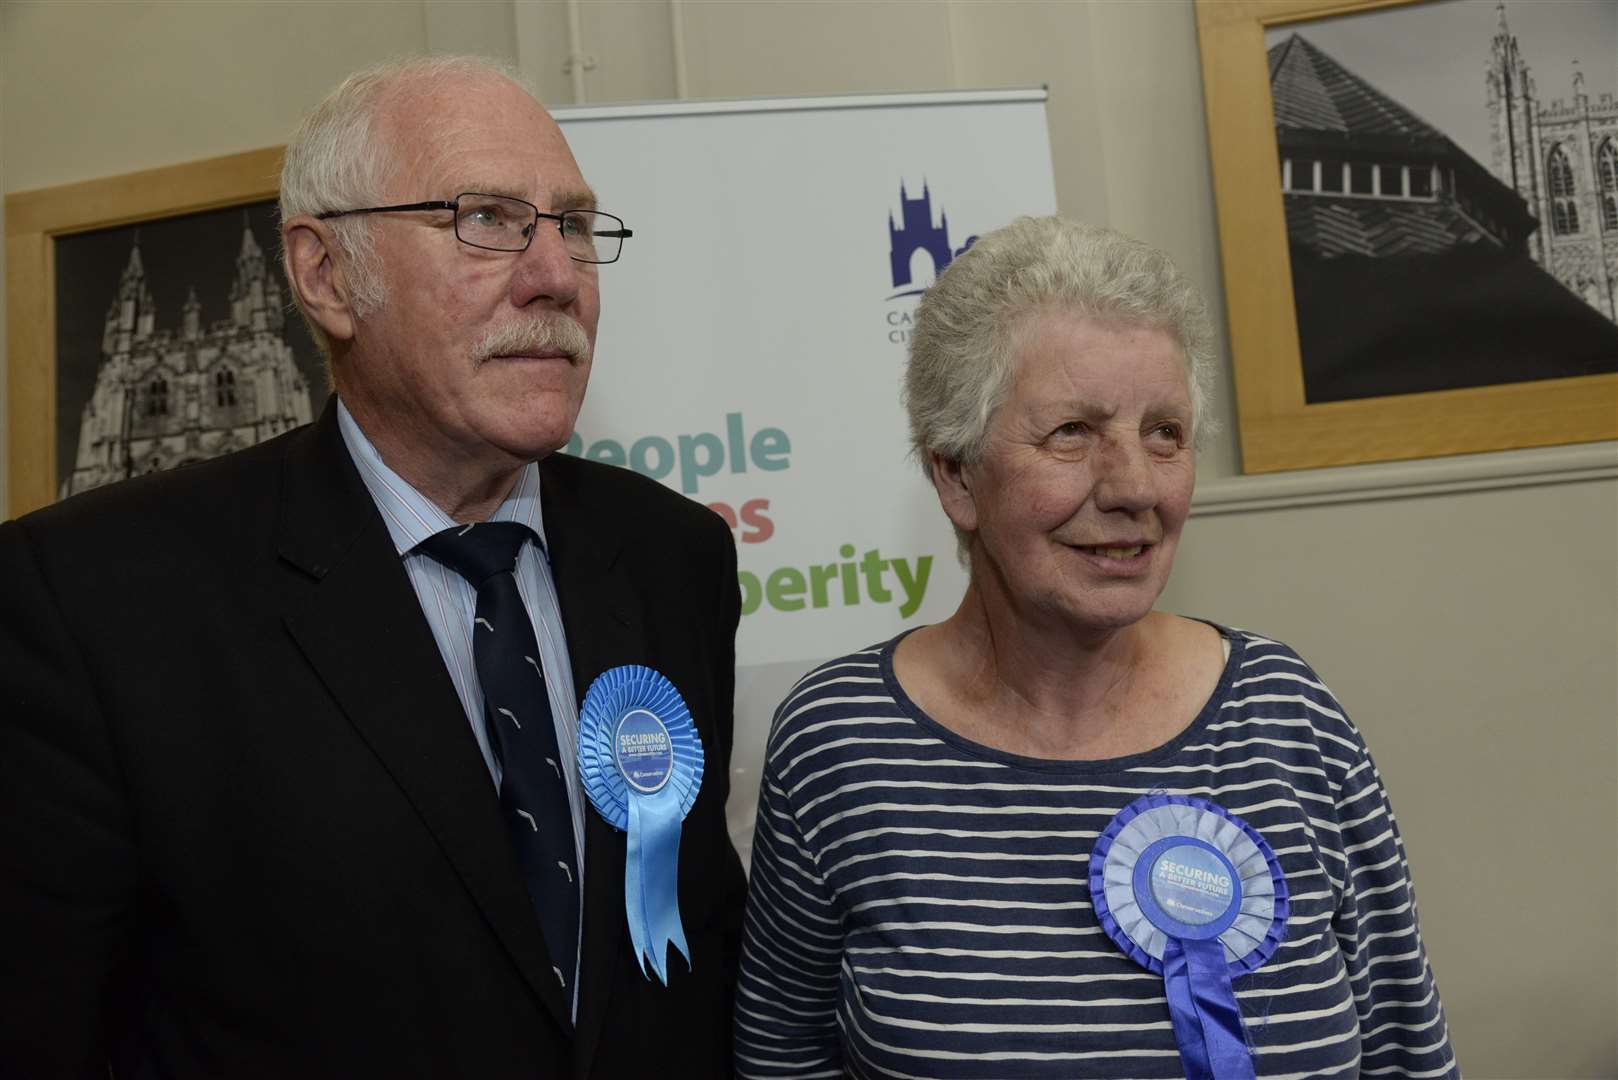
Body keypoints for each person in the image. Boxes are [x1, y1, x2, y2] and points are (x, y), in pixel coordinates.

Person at [0, 56, 746, 1077]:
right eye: (485, 218)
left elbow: (690, 964)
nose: (557, 275)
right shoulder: (92, 600)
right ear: (326, 275)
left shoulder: (672, 556)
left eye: (573, 225)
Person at [734, 217, 1457, 1077]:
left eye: (1165, 432)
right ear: (956, 476)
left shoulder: (1287, 715)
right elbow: (781, 1060)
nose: (1134, 487)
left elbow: (1408, 1054)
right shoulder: (841, 742)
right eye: (1071, 432)